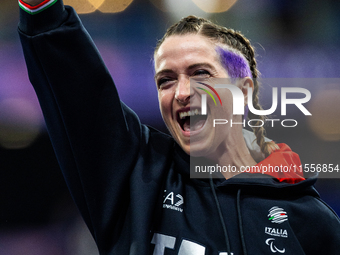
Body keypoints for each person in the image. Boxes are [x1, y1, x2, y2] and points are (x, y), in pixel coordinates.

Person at [18, 0, 340, 254]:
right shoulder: (138, 173)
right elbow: (78, 89)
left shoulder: (311, 222)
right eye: (166, 81)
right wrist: (43, 14)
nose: (182, 93)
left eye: (200, 73)